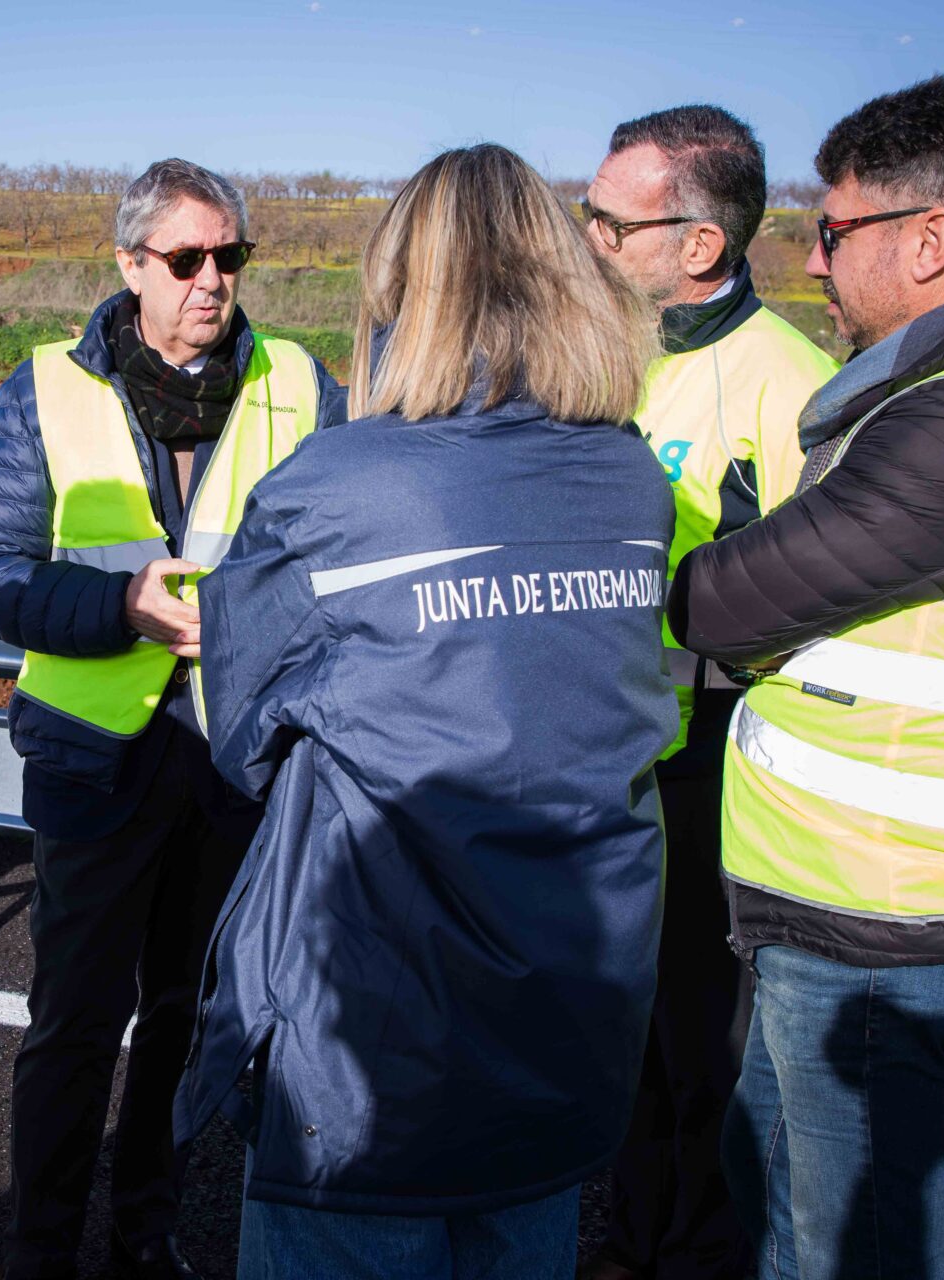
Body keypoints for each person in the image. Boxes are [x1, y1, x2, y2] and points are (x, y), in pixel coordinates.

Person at [175, 143, 677, 1280]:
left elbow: (241, 730)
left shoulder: (338, 484)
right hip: (572, 1005)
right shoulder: (632, 478)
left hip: (375, 1040)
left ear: (403, 288)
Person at [669, 71, 944, 1279]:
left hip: (896, 924)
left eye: (834, 229)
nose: (809, 261)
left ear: (931, 240)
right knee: (786, 1201)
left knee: (856, 1247)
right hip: (865, 898)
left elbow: (726, 601)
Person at [0, 158, 344, 1279]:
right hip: (94, 756)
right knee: (72, 1022)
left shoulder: (302, 385)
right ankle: (39, 1244)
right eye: (186, 259)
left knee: (185, 1008)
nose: (213, 280)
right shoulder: (46, 388)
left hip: (231, 759)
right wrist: (120, 604)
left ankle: (147, 1225)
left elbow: (335, 559)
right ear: (129, 265)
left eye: (231, 257)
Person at [578, 106, 837, 1280]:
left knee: (703, 1052)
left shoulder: (797, 386)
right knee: (616, 1034)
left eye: (608, 222)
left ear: (698, 244)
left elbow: (816, 608)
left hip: (713, 764)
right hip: (596, 748)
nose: (585, 240)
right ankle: (629, 1239)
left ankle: (690, 1253)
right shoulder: (591, 350)